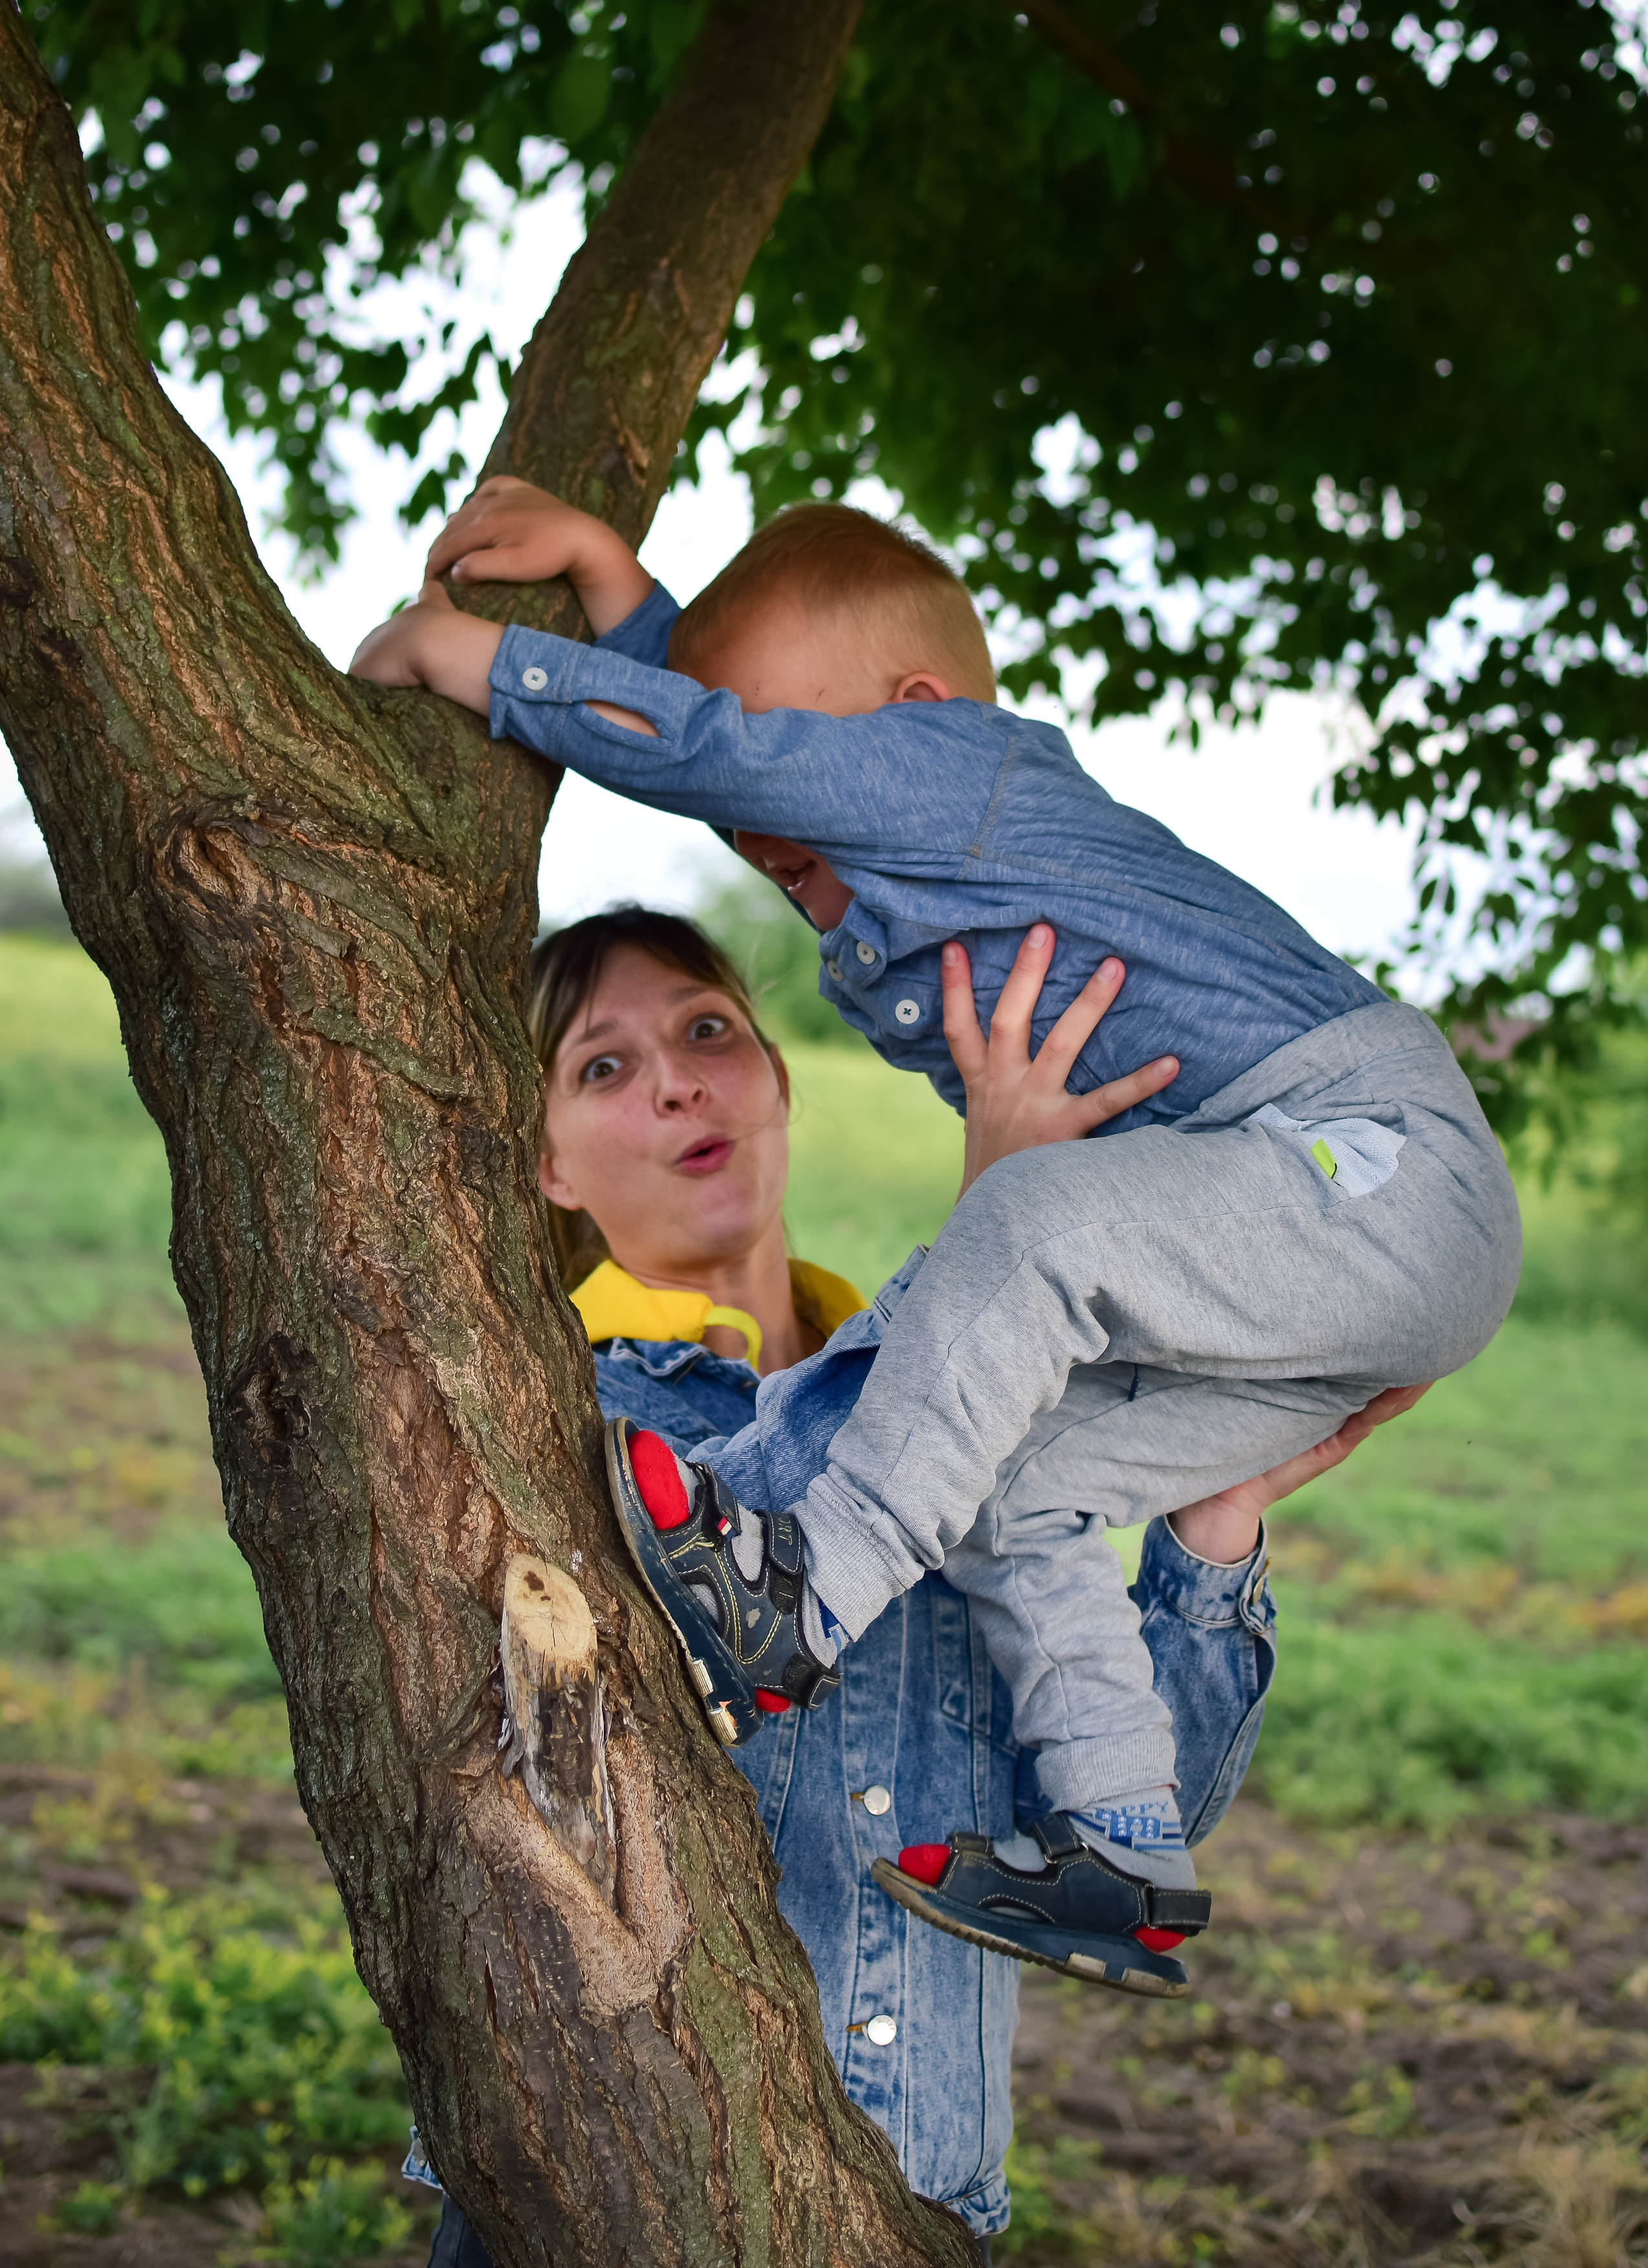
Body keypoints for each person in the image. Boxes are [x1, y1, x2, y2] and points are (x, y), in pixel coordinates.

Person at [352, 478, 1512, 1989]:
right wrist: (613, 582)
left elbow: (715, 746)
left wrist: (489, 663)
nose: (776, 845)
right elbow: (727, 751)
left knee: (1026, 1212)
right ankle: (1120, 1848)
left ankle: (795, 1599)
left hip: (1375, 1163)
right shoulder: (865, 826)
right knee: (1003, 1483)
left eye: (800, 792)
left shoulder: (968, 781)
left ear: (912, 715)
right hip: (1287, 1241)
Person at [418, 903, 1418, 2265]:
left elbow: (1143, 1813)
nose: (675, 1080)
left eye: (709, 1031)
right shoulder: (566, 1411)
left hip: (916, 2196)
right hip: (611, 2187)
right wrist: (998, 1250)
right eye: (603, 1066)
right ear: (543, 1165)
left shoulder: (991, 1424)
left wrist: (1209, 1535)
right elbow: (714, 1636)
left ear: (776, 1081)